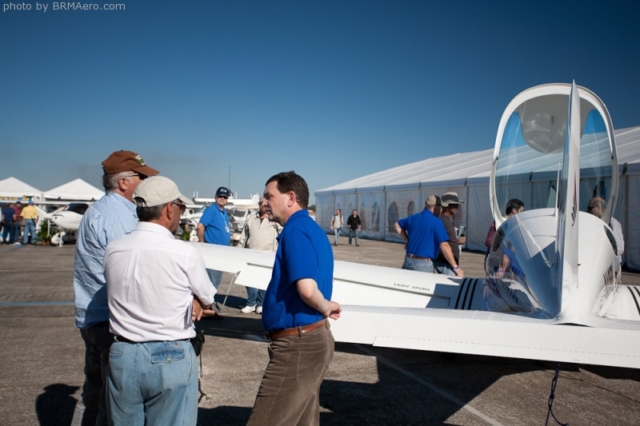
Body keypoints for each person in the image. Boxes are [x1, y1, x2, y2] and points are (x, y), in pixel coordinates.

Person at [104, 176, 215, 426]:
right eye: (181, 208)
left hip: (123, 352)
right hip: (170, 354)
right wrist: (196, 298)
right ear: (168, 209)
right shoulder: (184, 252)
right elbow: (208, 297)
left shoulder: (114, 248)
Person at [71, 150, 158, 426]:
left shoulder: (98, 210)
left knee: (94, 395)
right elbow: (133, 270)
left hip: (93, 316)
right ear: (123, 182)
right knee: (119, 405)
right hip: (114, 322)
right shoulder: (120, 216)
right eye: (141, 177)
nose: (145, 183)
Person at [247, 171, 341, 426]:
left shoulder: (295, 231)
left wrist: (325, 306)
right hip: (310, 340)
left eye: (269, 196)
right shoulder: (311, 229)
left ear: (290, 197)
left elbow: (307, 289)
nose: (264, 202)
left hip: (298, 345)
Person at [394, 195, 463, 277]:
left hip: (408, 261)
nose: (441, 210)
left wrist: (407, 240)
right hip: (424, 265)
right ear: (435, 207)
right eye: (441, 207)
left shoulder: (413, 218)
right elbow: (444, 245)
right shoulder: (436, 222)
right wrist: (456, 268)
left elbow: (397, 225)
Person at [238, 197, 282, 314]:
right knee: (249, 278)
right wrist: (239, 249)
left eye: (265, 203)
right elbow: (244, 235)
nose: (263, 205)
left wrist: (278, 249)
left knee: (264, 279)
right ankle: (251, 303)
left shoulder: (273, 218)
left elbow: (282, 233)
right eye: (261, 203)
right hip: (251, 252)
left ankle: (261, 303)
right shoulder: (251, 218)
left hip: (267, 254)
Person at [197, 186, 231, 291]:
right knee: (211, 280)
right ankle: (207, 304)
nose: (222, 198)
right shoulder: (211, 210)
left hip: (222, 251)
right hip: (213, 249)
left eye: (224, 197)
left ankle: (210, 301)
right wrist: (202, 243)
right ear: (216, 197)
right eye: (220, 196)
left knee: (217, 279)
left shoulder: (224, 212)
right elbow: (200, 226)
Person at [434, 192, 467, 276]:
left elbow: (445, 239)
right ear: (447, 206)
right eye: (455, 205)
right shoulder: (441, 220)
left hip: (447, 263)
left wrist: (457, 241)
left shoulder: (445, 219)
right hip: (445, 264)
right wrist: (456, 267)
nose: (457, 207)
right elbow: (443, 244)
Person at [588, 196, 624, 262]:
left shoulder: (613, 223)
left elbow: (619, 248)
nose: (588, 211)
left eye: (590, 208)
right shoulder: (593, 222)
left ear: (599, 208)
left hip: (610, 264)